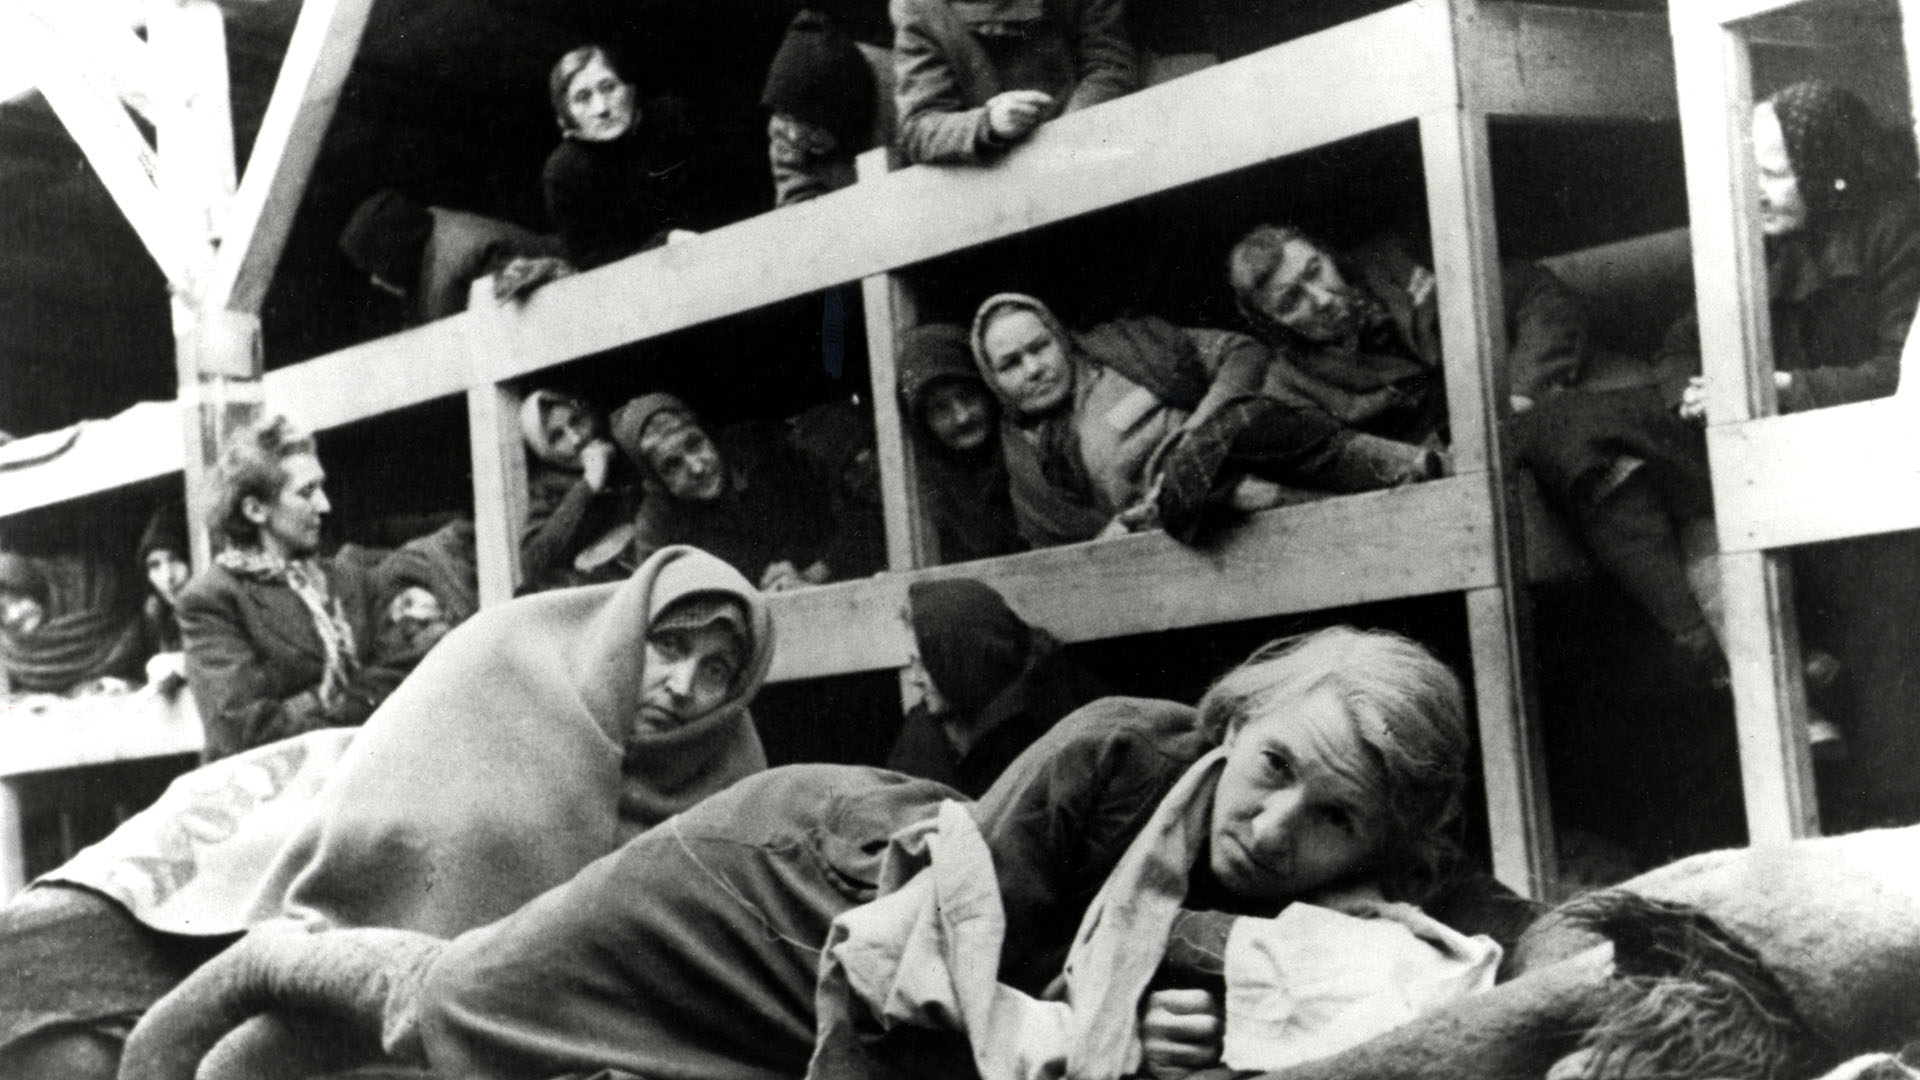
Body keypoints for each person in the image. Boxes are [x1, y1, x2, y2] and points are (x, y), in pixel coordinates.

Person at [119, 626, 1540, 1080]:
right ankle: (272, 963)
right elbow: (922, 958)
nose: (1277, 829)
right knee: (454, 1012)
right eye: (1277, 768)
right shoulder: (1124, 752)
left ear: (1389, 838)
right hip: (794, 889)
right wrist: (1142, 1006)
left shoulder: (1388, 887)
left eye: (1336, 819)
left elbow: (1519, 941)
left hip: (919, 998)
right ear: (1242, 715)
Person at [0, 545, 775, 1080]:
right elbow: (392, 833)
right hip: (333, 909)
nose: (683, 686)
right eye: (670, 646)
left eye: (715, 672)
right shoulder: (507, 658)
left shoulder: (727, 782)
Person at [1514, 80, 1920, 702]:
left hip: (1842, 445)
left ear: (1828, 170)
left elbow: (1903, 372)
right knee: (1559, 425)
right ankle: (1714, 645)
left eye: (1773, 173)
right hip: (1740, 431)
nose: (1753, 189)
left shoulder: (1898, 230)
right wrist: (1690, 394)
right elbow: (1681, 344)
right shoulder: (1756, 238)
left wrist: (1778, 387)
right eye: (1747, 170)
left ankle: (1753, 662)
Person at [970, 293, 1443, 547]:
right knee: (1224, 483)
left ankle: (1417, 467)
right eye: (1011, 364)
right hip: (1176, 531)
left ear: (1059, 337)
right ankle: (1389, 504)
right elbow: (1067, 552)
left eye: (1039, 347)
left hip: (1235, 451)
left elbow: (1241, 352)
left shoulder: (1130, 350)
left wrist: (1200, 430)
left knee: (1250, 431)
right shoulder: (1027, 457)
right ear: (993, 380)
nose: (1033, 369)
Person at [1227, 224, 1594, 445]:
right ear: (1272, 324)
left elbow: (1538, 293)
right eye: (1292, 300)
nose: (1321, 298)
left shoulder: (1398, 260)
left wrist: (1522, 395)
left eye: (1314, 270)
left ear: (1328, 255)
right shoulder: (1288, 387)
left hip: (1542, 407)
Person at [174, 417, 404, 761]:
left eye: (321, 488)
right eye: (306, 492)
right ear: (255, 509)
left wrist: (316, 702)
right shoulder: (213, 598)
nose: (324, 505)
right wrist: (362, 697)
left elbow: (406, 672)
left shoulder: (348, 576)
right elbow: (246, 733)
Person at [886, 577, 1108, 796]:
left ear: (959, 657)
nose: (914, 678)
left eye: (923, 664)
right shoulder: (928, 728)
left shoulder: (1052, 707)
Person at [611, 392, 841, 590]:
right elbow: (670, 606)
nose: (697, 467)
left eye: (695, 444)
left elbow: (863, 519)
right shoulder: (656, 527)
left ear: (708, 435)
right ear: (658, 481)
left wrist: (816, 573)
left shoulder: (770, 455)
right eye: (672, 465)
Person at [891, 0, 1137, 165]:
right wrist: (989, 123)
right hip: (995, 180)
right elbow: (918, 127)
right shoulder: (920, 8)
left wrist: (1067, 137)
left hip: (1093, 147)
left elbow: (1110, 64)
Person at [542, 45, 708, 270]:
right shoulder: (564, 172)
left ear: (630, 88)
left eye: (609, 87)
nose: (601, 108)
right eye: (583, 98)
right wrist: (663, 244)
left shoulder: (674, 121)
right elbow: (592, 261)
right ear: (566, 116)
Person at [336, 189, 572, 325]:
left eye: (375, 267)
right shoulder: (435, 229)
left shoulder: (460, 264)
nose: (375, 280)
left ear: (393, 255)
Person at [897, 322, 1026, 562]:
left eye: (967, 396)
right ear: (923, 424)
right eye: (940, 409)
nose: (962, 417)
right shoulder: (933, 497)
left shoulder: (1034, 457)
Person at [761, 10, 897, 207]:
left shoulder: (899, 95)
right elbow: (796, 202)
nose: (793, 136)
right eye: (788, 118)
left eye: (813, 131)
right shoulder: (785, 124)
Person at [517, 389, 639, 593]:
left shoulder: (624, 446)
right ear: (544, 449)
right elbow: (532, 564)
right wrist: (589, 484)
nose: (575, 440)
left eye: (576, 421)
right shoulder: (548, 489)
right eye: (557, 437)